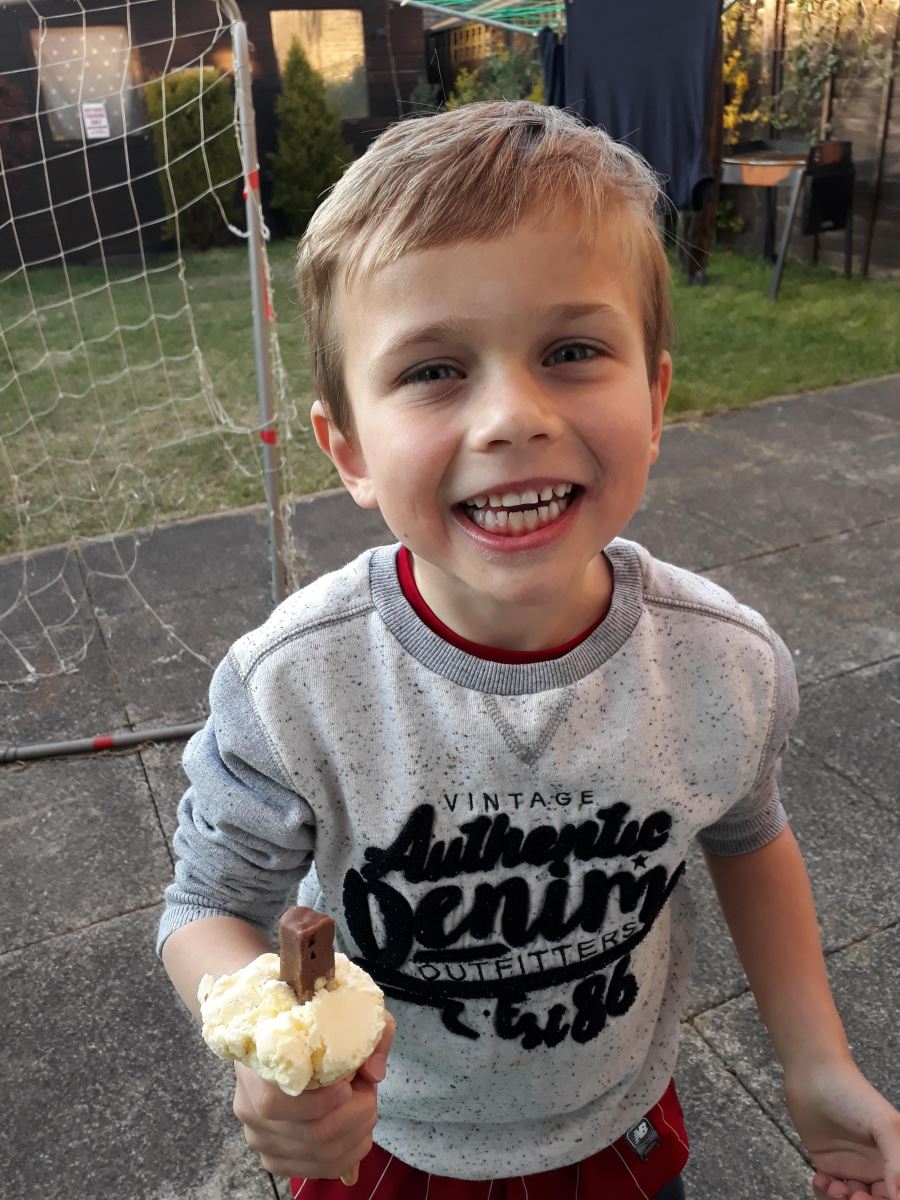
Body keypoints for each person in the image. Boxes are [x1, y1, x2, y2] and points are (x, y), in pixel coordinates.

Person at [158, 102, 900, 1200]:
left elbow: (750, 837)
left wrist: (818, 1062)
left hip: (620, 1134)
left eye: (570, 350)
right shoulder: (294, 687)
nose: (511, 415)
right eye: (433, 370)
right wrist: (269, 1045)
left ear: (652, 395)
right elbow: (204, 909)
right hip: (385, 1147)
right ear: (349, 448)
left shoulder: (724, 664)